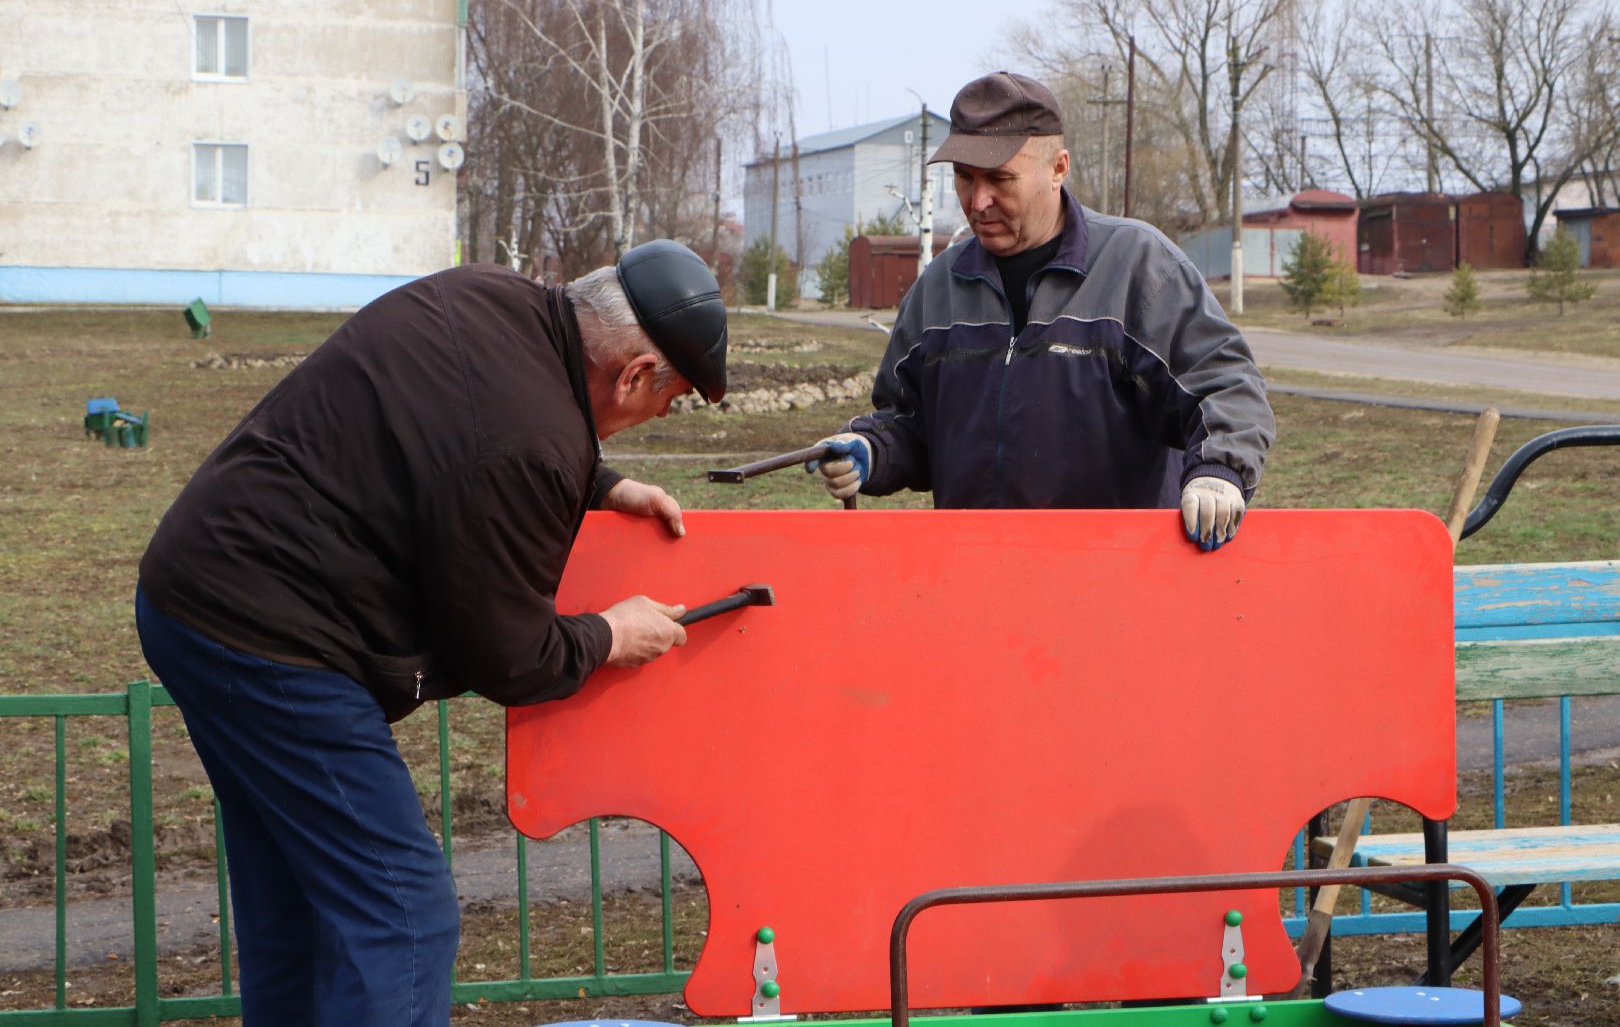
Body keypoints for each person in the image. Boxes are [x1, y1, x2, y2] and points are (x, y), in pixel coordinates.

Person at [134, 240, 727, 1025]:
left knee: (298, 904)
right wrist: (611, 634)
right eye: (672, 397)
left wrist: (603, 484)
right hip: (274, 642)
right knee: (403, 916)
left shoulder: (489, 298)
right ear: (633, 373)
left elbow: (469, 420)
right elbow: (510, 656)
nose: (661, 414)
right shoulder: (530, 442)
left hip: (192, 591)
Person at [809, 72, 1273, 550]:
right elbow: (912, 422)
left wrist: (1219, 470)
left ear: (1059, 167)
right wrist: (872, 447)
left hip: (1115, 577)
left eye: (1000, 179)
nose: (978, 200)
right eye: (965, 178)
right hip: (976, 574)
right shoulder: (938, 289)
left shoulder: (1138, 267)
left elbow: (1226, 384)